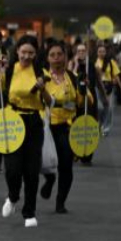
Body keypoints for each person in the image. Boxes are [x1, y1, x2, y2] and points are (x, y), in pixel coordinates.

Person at [0, 36, 52, 227]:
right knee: (13, 169)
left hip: (33, 123)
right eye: (24, 52)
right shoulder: (8, 71)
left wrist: (43, 90)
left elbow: (50, 103)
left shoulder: (41, 72)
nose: (27, 56)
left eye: (31, 52)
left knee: (31, 171)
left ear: (36, 54)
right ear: (17, 51)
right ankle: (13, 196)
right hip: (13, 122)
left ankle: (29, 212)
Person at [40, 41, 84, 214]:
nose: (57, 58)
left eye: (60, 54)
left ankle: (61, 201)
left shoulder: (72, 77)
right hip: (47, 126)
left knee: (66, 166)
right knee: (47, 162)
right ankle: (50, 180)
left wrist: (83, 88)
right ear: (47, 58)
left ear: (66, 56)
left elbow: (82, 102)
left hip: (67, 127)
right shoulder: (42, 77)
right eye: (52, 55)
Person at [95, 44, 121, 136]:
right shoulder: (94, 63)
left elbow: (116, 75)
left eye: (103, 51)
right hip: (98, 87)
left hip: (109, 87)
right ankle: (99, 124)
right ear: (97, 53)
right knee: (99, 107)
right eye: (100, 51)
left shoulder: (111, 62)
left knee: (109, 108)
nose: (101, 53)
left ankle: (106, 128)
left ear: (106, 52)